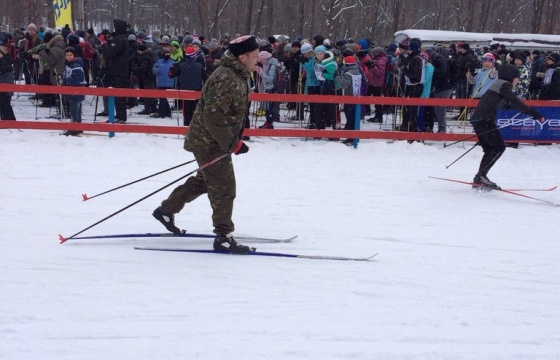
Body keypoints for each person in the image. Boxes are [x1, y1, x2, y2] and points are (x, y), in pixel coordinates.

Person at [152, 35, 259, 254]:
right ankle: (223, 237)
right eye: (255, 56)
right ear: (243, 56)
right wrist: (233, 143)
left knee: (205, 181)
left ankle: (166, 210)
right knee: (224, 187)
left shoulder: (237, 74)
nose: (257, 60)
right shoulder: (227, 78)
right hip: (209, 140)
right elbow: (213, 116)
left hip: (212, 139)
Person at [469, 63, 543, 190]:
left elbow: (497, 101)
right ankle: (481, 176)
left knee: (490, 149)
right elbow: (515, 101)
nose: (518, 80)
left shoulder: (497, 84)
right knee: (499, 147)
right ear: (511, 77)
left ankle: (480, 177)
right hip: (484, 120)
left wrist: (508, 106)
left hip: (478, 119)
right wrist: (534, 113)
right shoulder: (504, 85)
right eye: (517, 77)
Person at [61, 47, 86, 136]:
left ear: (74, 56)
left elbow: (78, 79)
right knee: (76, 109)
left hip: (76, 90)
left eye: (71, 55)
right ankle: (77, 126)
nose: (69, 57)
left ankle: (74, 127)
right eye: (67, 55)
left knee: (74, 110)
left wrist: (66, 80)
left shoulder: (76, 66)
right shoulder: (69, 65)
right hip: (73, 91)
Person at [0, 44, 16, 120]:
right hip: (4, 85)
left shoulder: (4, 61)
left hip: (5, 85)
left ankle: (8, 119)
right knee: (5, 103)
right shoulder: (5, 60)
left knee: (4, 103)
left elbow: (2, 69)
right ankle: (10, 119)